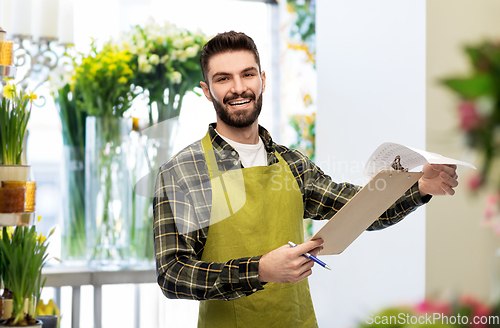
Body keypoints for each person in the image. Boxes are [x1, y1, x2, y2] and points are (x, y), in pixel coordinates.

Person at [153, 31, 459, 328]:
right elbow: (173, 273)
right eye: (223, 78)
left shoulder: (292, 163)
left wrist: (418, 187)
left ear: (262, 79)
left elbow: (357, 209)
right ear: (207, 91)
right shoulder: (182, 171)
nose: (238, 88)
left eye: (247, 75)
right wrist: (259, 270)